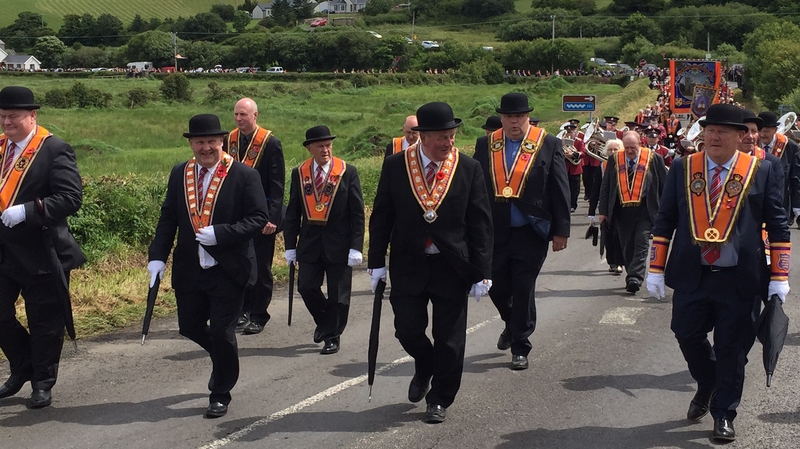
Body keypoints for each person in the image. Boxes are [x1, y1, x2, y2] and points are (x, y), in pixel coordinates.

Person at [646, 104, 790, 442]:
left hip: (738, 278)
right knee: (686, 333)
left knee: (732, 350)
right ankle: (707, 380)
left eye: (722, 131)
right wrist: (655, 267)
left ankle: (724, 413)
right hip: (693, 274)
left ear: (740, 137)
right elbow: (665, 219)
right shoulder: (683, 167)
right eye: (710, 129)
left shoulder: (760, 171)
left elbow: (779, 226)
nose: (713, 136)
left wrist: (779, 276)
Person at [369, 102, 492, 424]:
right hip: (409, 263)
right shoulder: (396, 165)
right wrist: (376, 262)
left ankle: (440, 398)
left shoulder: (468, 168)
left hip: (452, 265)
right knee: (407, 330)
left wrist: (482, 271)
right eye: (441, 137)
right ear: (423, 137)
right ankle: (425, 363)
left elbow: (480, 223)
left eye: (451, 136)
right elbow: (382, 215)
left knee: (450, 338)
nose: (448, 143)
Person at [148, 114, 268, 418]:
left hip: (230, 268)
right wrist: (157, 256)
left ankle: (220, 392)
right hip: (190, 267)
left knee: (223, 331)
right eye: (199, 142)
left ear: (221, 142)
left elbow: (257, 219)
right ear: (191, 143)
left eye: (212, 142)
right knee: (189, 326)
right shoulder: (180, 174)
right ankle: (224, 356)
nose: (206, 148)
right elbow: (168, 218)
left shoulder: (243, 175)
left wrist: (221, 233)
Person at [0, 86, 85, 409]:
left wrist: (28, 211)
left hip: (42, 251)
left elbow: (70, 198)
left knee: (45, 321)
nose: (7, 122)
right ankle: (22, 365)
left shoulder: (54, 150)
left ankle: (42, 380)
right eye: (3, 117)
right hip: (4, 251)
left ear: (32, 116)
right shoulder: (1, 148)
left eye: (14, 117)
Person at [473, 92, 570, 370]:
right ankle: (512, 323)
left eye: (518, 116)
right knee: (494, 286)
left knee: (523, 287)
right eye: (507, 116)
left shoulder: (547, 144)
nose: (513, 121)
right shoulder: (486, 144)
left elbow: (559, 187)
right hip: (494, 230)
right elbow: (475, 188)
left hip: (531, 229)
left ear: (527, 117)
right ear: (501, 118)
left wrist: (560, 230)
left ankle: (521, 345)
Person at [284, 126, 364, 355]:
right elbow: (293, 212)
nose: (325, 149)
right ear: (309, 148)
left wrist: (356, 246)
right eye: (320, 146)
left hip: (340, 243)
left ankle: (333, 335)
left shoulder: (347, 171)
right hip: (309, 243)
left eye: (328, 145)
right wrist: (290, 245)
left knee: (339, 295)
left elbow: (357, 213)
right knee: (306, 287)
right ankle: (325, 321)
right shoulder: (300, 173)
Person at [226, 98, 285, 335]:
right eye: (236, 115)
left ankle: (259, 314)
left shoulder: (270, 143)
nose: (239, 119)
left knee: (261, 267)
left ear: (255, 115)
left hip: (262, 214)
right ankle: (241, 310)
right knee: (239, 265)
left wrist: (272, 218)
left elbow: (277, 184)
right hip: (237, 216)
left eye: (243, 115)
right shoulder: (228, 140)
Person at [598, 131, 666, 293]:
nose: (629, 151)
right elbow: (606, 186)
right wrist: (603, 211)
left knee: (641, 242)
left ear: (640, 144)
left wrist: (665, 211)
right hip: (622, 211)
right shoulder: (615, 159)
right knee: (627, 246)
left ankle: (635, 278)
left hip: (645, 210)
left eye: (633, 147)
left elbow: (664, 185)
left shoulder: (653, 158)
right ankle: (632, 273)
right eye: (627, 147)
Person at [588, 139, 625, 275]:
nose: (613, 152)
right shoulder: (602, 166)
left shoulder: (626, 165)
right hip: (607, 208)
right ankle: (614, 262)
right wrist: (592, 211)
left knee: (620, 236)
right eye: (610, 150)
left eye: (616, 149)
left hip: (623, 207)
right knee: (608, 236)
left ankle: (621, 261)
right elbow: (595, 190)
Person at [757, 111, 800, 226]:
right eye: (759, 131)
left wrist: (797, 207)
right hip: (755, 205)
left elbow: (795, 178)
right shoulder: (750, 143)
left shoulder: (790, 147)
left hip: (780, 204)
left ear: (775, 130)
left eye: (766, 131)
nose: (762, 134)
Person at [562, 124, 584, 212]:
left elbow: (583, 152)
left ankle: (573, 204)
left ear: (575, 132)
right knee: (565, 187)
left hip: (575, 168)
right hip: (565, 167)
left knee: (574, 188)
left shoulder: (578, 141)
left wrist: (573, 154)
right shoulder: (561, 141)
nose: (569, 134)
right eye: (568, 132)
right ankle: (565, 203)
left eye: (571, 132)